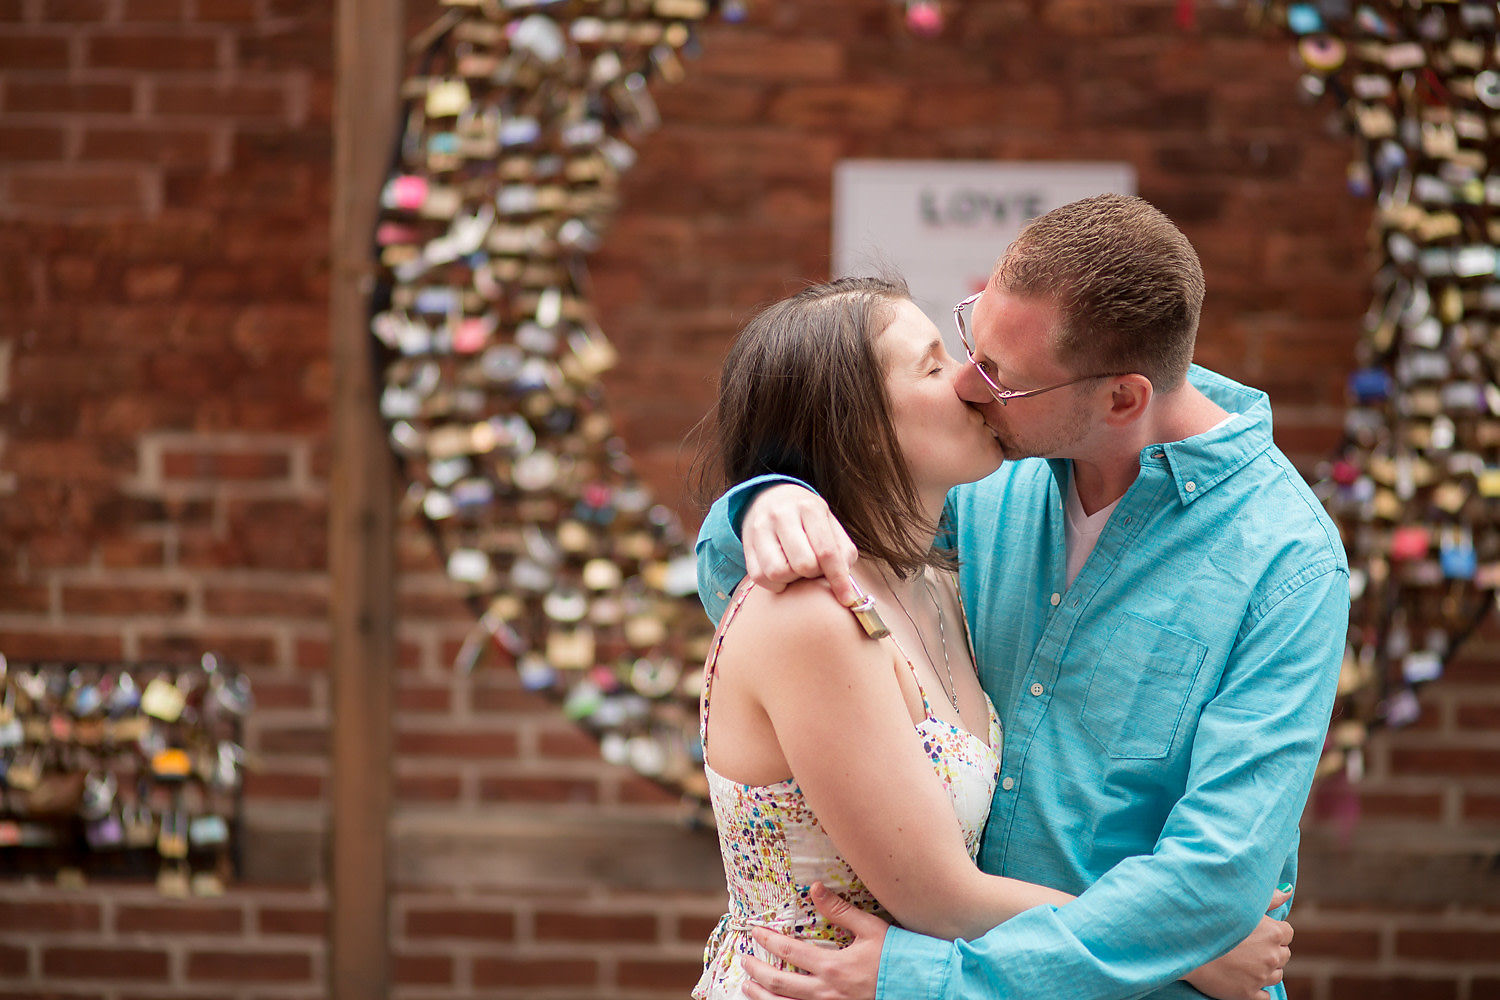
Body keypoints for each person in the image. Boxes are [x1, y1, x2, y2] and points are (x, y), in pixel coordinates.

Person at [695, 195, 1348, 1000]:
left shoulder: (1286, 563)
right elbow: (802, 575)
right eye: (970, 339)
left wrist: (932, 979)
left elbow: (1215, 885)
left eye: (1004, 377)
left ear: (1121, 400)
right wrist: (766, 498)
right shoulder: (990, 479)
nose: (973, 384)